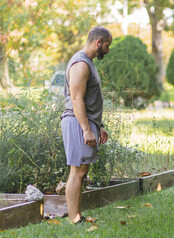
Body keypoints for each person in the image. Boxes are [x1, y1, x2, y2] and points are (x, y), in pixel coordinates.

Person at [60, 26, 112, 223]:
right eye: (107, 46)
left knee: (82, 170)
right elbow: (76, 99)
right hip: (76, 122)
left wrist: (100, 125)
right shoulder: (81, 64)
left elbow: (89, 99)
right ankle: (74, 218)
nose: (107, 50)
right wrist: (86, 129)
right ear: (98, 42)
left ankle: (76, 215)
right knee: (77, 170)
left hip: (85, 122)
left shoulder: (87, 63)